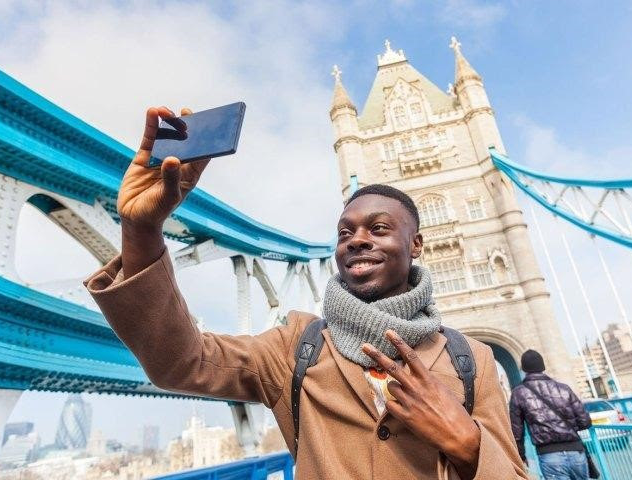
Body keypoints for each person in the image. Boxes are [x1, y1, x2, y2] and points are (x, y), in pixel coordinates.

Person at [84, 107, 527, 480]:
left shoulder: (471, 360)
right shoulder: (295, 348)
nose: (356, 240)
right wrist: (141, 231)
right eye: (344, 232)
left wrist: (469, 445)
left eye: (378, 229)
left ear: (415, 245)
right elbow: (182, 363)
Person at [509, 350, 592, 480]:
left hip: (549, 455)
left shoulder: (518, 393)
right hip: (576, 451)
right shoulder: (564, 388)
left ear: (524, 369)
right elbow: (585, 422)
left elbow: (517, 432)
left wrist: (521, 457)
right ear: (543, 366)